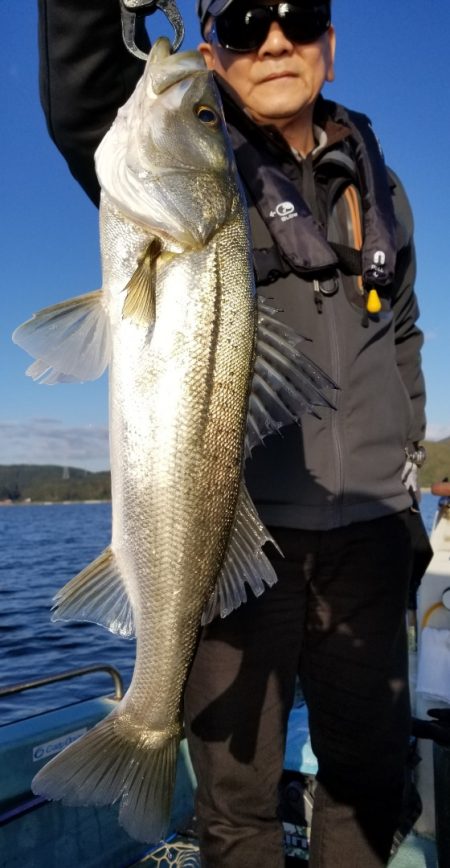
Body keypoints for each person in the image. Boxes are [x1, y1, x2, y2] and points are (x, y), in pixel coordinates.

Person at [37, 1, 428, 866]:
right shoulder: (186, 161)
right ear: (213, 52)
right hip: (239, 539)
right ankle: (146, 717)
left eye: (301, 20)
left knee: (367, 777)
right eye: (249, 24)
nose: (277, 42)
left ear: (332, 44)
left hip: (371, 532)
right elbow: (83, 93)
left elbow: (402, 334)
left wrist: (410, 474)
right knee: (238, 791)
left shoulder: (380, 184)